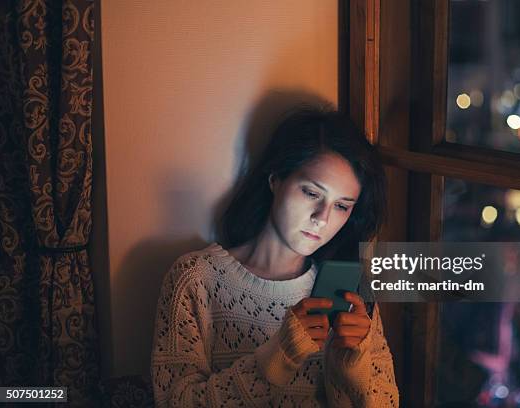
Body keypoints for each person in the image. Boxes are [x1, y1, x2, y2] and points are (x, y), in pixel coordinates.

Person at [150, 107, 400, 407]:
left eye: (342, 206)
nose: (322, 218)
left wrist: (353, 371)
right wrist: (276, 358)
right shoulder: (196, 279)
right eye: (311, 193)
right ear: (275, 179)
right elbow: (175, 402)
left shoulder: (349, 294)